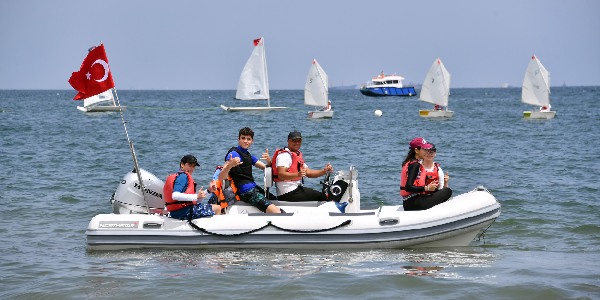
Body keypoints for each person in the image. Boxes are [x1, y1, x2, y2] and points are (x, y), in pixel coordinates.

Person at [219, 127, 284, 214]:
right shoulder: (233, 154)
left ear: (252, 141)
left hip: (254, 188)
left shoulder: (249, 156)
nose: (245, 141)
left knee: (275, 200)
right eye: (243, 138)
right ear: (238, 139)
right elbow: (221, 177)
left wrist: (269, 161)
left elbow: (266, 168)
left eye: (248, 139)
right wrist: (229, 166)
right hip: (246, 192)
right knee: (276, 211)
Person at [272, 130, 334, 202]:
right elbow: (281, 175)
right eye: (294, 140)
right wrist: (298, 174)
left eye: (299, 141)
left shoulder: (296, 155)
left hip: (295, 190)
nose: (297, 143)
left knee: (322, 194)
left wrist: (324, 171)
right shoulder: (285, 156)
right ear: (288, 141)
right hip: (288, 193)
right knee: (323, 197)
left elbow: (309, 173)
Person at [163, 154, 222, 220]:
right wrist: (196, 196)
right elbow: (175, 195)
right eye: (190, 165)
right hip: (184, 212)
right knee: (217, 208)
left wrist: (208, 191)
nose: (192, 168)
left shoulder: (179, 176)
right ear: (182, 164)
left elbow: (193, 201)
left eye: (193, 166)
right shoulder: (183, 176)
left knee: (210, 207)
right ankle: (215, 230)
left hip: (177, 212)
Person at [400, 137, 452, 211]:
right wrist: (427, 188)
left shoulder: (409, 162)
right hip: (415, 203)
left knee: (439, 192)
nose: (426, 152)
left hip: (409, 202)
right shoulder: (415, 165)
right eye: (424, 150)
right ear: (417, 150)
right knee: (447, 191)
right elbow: (408, 187)